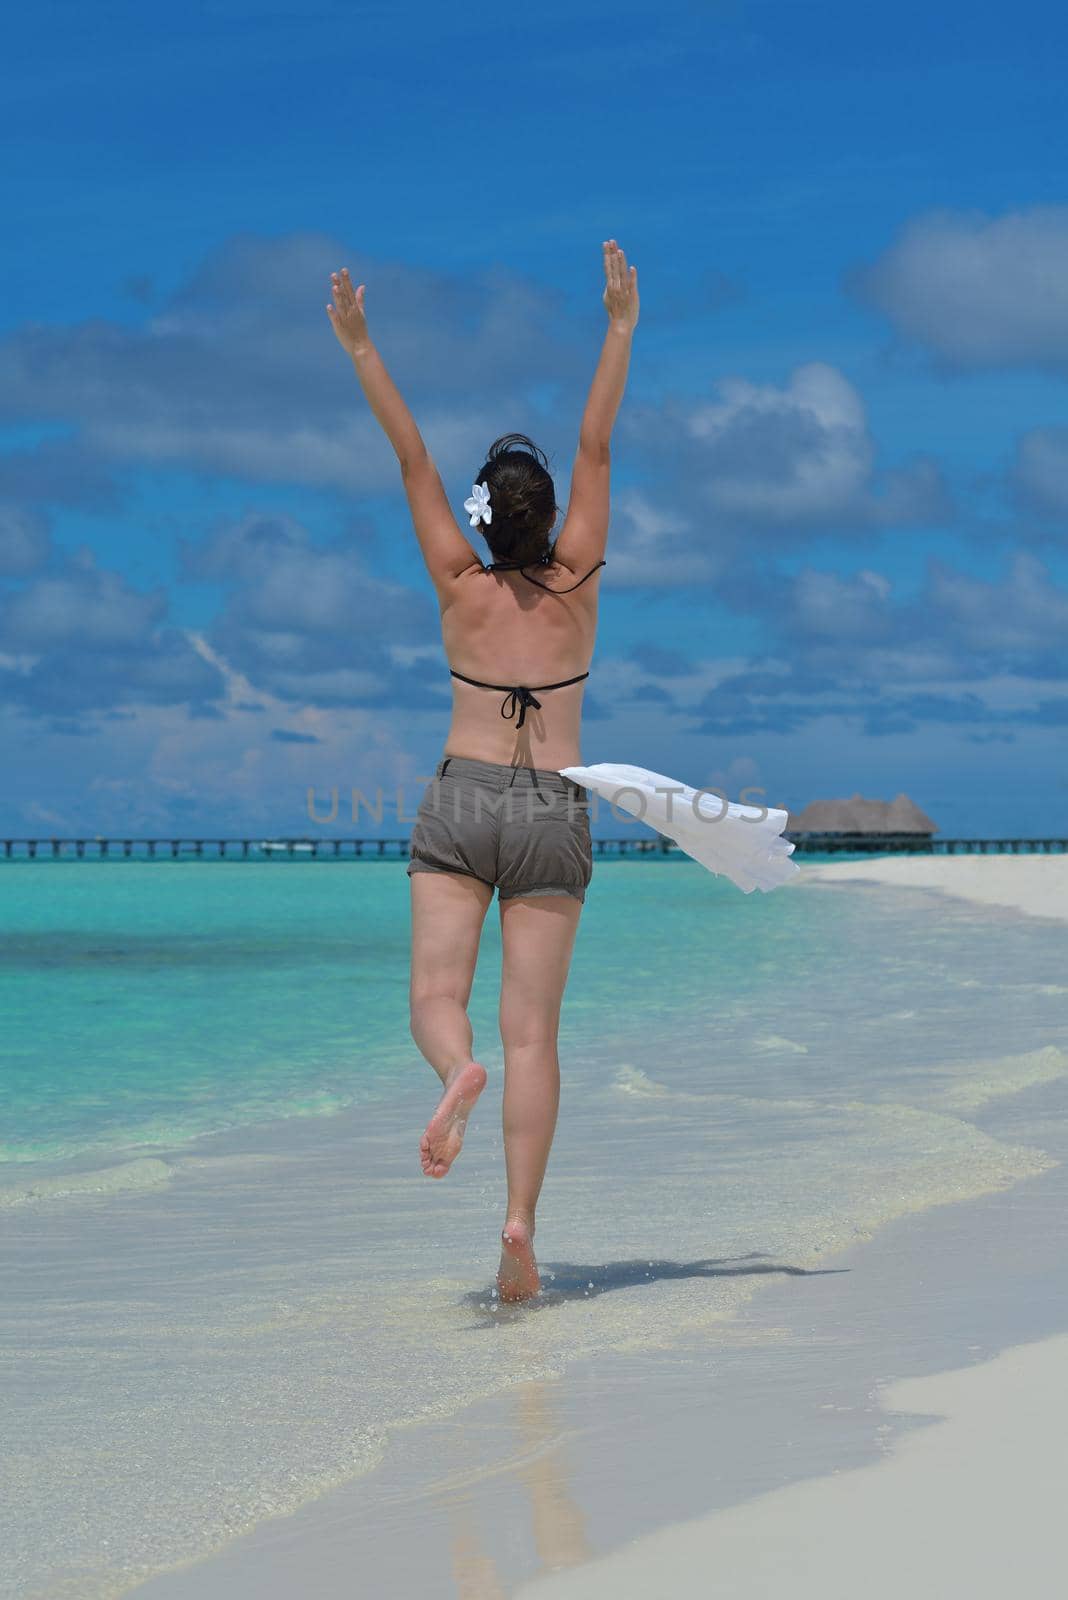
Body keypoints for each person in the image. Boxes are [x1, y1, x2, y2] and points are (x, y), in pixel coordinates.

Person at [327, 240, 638, 1302]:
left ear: (482, 517)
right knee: (538, 1035)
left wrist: (362, 346)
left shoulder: (457, 582)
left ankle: (453, 1068)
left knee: (435, 996)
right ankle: (518, 1223)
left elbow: (410, 457)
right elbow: (596, 445)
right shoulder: (581, 583)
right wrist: (619, 326)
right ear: (549, 518)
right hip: (555, 804)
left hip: (461, 793)